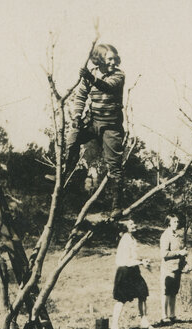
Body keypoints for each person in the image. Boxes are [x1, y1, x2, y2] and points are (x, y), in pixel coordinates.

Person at [66, 44, 126, 217]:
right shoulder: (90, 74)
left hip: (111, 126)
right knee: (73, 139)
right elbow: (81, 96)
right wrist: (77, 116)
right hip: (92, 121)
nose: (113, 62)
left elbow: (107, 87)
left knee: (114, 165)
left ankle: (116, 206)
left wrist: (90, 78)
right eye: (109, 59)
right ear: (100, 59)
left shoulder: (119, 75)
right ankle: (67, 175)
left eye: (115, 58)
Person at [110, 219, 153, 329]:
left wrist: (142, 260)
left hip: (134, 270)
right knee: (121, 299)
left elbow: (133, 257)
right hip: (125, 271)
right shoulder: (125, 240)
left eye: (134, 223)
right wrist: (141, 262)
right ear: (125, 228)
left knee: (142, 293)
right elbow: (126, 260)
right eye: (131, 224)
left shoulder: (132, 238)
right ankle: (114, 326)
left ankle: (144, 321)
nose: (134, 225)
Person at [159, 214, 188, 324]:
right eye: (174, 222)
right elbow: (164, 253)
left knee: (173, 292)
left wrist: (185, 263)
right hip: (168, 269)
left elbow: (181, 252)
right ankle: (164, 316)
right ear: (168, 223)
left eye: (177, 222)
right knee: (166, 292)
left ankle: (172, 315)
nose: (177, 224)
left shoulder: (177, 236)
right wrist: (179, 252)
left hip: (177, 268)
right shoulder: (165, 236)